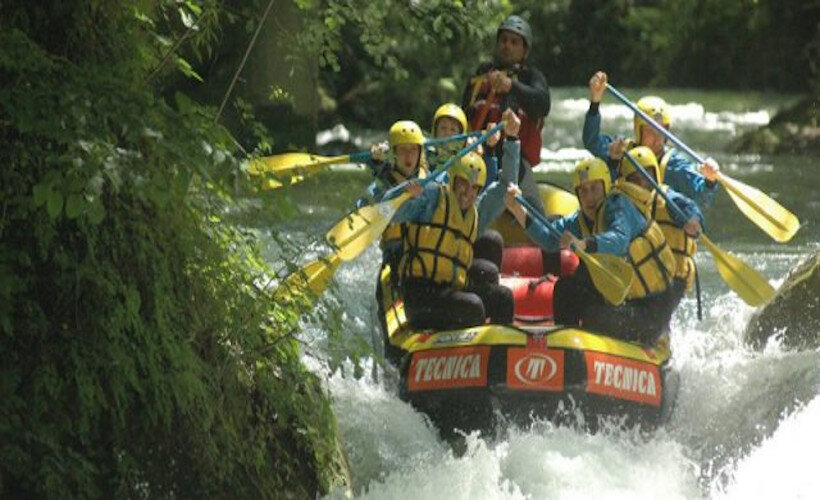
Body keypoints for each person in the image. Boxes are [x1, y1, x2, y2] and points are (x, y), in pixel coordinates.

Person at [504, 157, 677, 345]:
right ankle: (565, 345)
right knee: (565, 289)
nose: (589, 197)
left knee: (594, 317)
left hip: (651, 309)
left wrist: (584, 244)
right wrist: (517, 210)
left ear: (606, 187)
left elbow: (619, 239)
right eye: (583, 191)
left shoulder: (619, 205)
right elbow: (548, 239)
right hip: (621, 300)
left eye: (594, 188)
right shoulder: (579, 220)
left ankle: (592, 352)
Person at [389, 111, 523, 331]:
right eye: (461, 184)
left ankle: (499, 351)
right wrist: (405, 197)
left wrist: (511, 140)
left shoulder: (476, 211)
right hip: (420, 298)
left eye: (472, 188)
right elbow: (394, 213)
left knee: (502, 297)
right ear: (453, 181)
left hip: (449, 292)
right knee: (472, 307)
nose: (466, 193)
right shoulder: (433, 197)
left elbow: (506, 184)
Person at [582, 71, 720, 211]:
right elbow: (591, 141)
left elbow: (703, 200)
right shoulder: (621, 150)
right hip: (623, 222)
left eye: (661, 131)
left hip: (655, 230)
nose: (657, 138)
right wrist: (595, 101)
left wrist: (710, 181)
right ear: (638, 131)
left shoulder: (675, 165)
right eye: (650, 131)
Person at [461, 14, 550, 214]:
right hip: (478, 156)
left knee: (535, 212)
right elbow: (463, 115)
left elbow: (543, 105)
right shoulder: (481, 75)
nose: (507, 46)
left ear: (524, 50)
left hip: (515, 160)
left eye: (514, 42)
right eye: (504, 40)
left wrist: (511, 85)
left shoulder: (531, 77)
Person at [617, 146, 703, 300]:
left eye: (646, 176)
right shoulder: (622, 205)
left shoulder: (668, 198)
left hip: (675, 280)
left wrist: (694, 219)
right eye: (636, 179)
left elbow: (689, 207)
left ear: (655, 175)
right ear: (626, 181)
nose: (642, 183)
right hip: (647, 278)